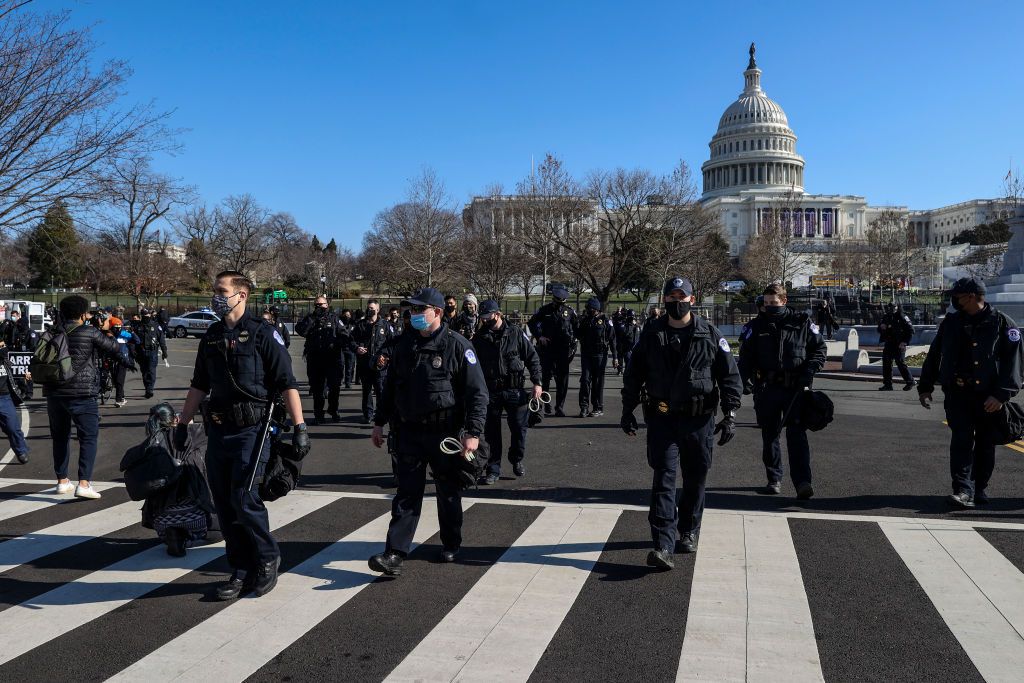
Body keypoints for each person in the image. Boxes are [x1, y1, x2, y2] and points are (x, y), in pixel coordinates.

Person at [177, 270, 309, 600]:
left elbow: (286, 384)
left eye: (222, 291)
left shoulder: (264, 334)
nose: (216, 296)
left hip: (254, 430)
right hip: (218, 430)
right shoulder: (211, 335)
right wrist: (182, 423)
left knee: (245, 499)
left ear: (242, 295)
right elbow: (198, 385)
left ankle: (266, 559)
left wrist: (300, 427)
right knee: (223, 503)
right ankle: (239, 568)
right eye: (215, 291)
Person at [621, 277, 742, 570]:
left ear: (692, 299)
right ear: (664, 300)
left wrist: (731, 415)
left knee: (695, 477)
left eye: (682, 296)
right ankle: (663, 543)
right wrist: (628, 409)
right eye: (672, 296)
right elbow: (634, 374)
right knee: (663, 478)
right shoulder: (650, 334)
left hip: (699, 421)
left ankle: (689, 529)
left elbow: (729, 376)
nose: (677, 301)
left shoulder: (709, 334)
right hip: (662, 418)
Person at [367, 287, 487, 576]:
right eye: (412, 310)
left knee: (447, 491)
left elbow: (477, 394)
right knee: (407, 493)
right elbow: (390, 388)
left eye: (421, 310)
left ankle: (451, 541)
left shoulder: (458, 346)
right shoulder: (403, 345)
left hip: (444, 432)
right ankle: (394, 553)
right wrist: (378, 422)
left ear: (437, 313)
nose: (415, 315)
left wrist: (473, 432)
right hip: (409, 431)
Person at [918, 277, 1023, 508]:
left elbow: (1013, 364)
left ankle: (980, 488)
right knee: (961, 441)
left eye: (958, 295)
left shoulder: (1003, 324)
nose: (955, 299)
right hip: (958, 394)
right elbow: (935, 354)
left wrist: (1001, 395)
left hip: (989, 397)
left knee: (986, 443)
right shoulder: (951, 323)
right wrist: (925, 386)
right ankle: (963, 489)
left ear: (973, 296)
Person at [738, 283, 827, 499]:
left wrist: (810, 371)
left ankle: (803, 482)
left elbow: (819, 349)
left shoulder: (802, 323)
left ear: (784, 301)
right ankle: (774, 478)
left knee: (797, 435)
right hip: (766, 389)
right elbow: (745, 358)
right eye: (766, 303)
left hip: (795, 389)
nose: (769, 307)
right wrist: (744, 381)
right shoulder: (755, 327)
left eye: (774, 303)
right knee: (770, 436)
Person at [44, 295, 136, 499]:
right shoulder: (89, 331)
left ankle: (62, 481)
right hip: (82, 392)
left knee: (60, 437)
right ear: (83, 314)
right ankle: (83, 483)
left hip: (54, 392)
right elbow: (113, 347)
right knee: (88, 437)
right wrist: (103, 327)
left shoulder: (51, 331)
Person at [473, 299, 542, 484]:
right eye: (483, 317)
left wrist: (537, 382)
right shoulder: (480, 338)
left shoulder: (516, 333)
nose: (485, 320)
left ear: (497, 314)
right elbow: (472, 367)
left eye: (487, 316)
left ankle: (516, 458)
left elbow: (532, 358)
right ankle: (493, 469)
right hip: (491, 391)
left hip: (514, 390)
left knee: (520, 430)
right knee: (491, 434)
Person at [294, 296, 347, 424]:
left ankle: (333, 410)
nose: (319, 307)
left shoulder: (334, 318)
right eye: (316, 305)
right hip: (315, 359)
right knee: (317, 388)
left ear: (327, 305)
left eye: (321, 304)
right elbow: (301, 330)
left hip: (332, 359)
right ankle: (318, 414)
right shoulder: (310, 318)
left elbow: (344, 334)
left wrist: (338, 343)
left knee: (334, 387)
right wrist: (312, 319)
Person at [527, 283, 579, 417]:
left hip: (563, 350)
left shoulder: (570, 311)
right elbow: (532, 323)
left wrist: (575, 341)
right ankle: (545, 404)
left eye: (562, 302)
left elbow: (577, 328)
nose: (559, 304)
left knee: (563, 380)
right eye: (557, 301)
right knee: (545, 378)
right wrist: (539, 337)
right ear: (553, 299)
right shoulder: (545, 310)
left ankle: (559, 407)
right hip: (547, 349)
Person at [352, 299, 392, 423]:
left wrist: (385, 355)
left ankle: (381, 415)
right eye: (368, 308)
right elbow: (351, 340)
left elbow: (392, 343)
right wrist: (357, 348)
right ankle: (368, 414)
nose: (370, 310)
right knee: (367, 390)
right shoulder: (360, 325)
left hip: (381, 365)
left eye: (372, 308)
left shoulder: (385, 325)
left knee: (380, 390)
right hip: (365, 364)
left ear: (378, 310)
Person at [577, 297, 615, 418]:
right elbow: (578, 334)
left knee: (597, 382)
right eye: (587, 308)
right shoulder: (584, 320)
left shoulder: (605, 321)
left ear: (596, 309)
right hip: (586, 354)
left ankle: (597, 407)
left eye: (590, 308)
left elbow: (613, 340)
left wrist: (615, 357)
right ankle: (584, 407)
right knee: (585, 380)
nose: (587, 310)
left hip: (600, 355)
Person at [0, 345, 29, 464]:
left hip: (4, 398)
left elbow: (17, 371)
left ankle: (20, 450)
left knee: (13, 427)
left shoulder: (5, 361)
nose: (3, 349)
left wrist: (25, 375)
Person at [878, 302, 916, 391]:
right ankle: (888, 384)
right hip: (889, 343)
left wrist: (904, 342)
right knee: (886, 363)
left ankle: (910, 381)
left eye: (894, 307)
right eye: (890, 307)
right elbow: (879, 329)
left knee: (900, 363)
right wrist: (881, 327)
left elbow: (911, 330)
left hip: (899, 344)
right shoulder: (886, 317)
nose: (892, 309)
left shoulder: (902, 317)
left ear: (898, 307)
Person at [108, 320, 141, 407]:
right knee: (115, 381)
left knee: (119, 380)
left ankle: (118, 400)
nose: (117, 329)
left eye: (119, 327)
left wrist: (132, 332)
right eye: (115, 327)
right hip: (112, 359)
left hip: (123, 360)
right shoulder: (109, 334)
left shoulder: (124, 334)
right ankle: (122, 397)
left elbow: (137, 341)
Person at [137, 308, 168, 399]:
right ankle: (147, 388)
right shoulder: (138, 326)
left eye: (147, 315)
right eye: (144, 316)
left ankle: (150, 389)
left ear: (149, 315)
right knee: (144, 372)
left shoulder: (155, 325)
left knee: (151, 371)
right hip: (141, 352)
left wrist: (164, 351)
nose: (145, 317)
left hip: (152, 352)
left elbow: (161, 340)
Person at [612, 309, 641, 376]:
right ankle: (620, 370)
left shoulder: (636, 324)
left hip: (631, 347)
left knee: (629, 363)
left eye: (633, 316)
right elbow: (625, 332)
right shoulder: (623, 323)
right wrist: (630, 324)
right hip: (622, 344)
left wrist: (635, 325)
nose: (631, 317)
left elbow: (639, 334)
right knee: (620, 358)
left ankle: (628, 374)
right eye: (630, 316)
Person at [339, 309, 357, 388]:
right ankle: (339, 380)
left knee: (349, 366)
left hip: (350, 348)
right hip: (341, 348)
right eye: (345, 315)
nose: (347, 317)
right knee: (340, 365)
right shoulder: (339, 324)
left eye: (348, 315)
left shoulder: (353, 325)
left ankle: (348, 382)